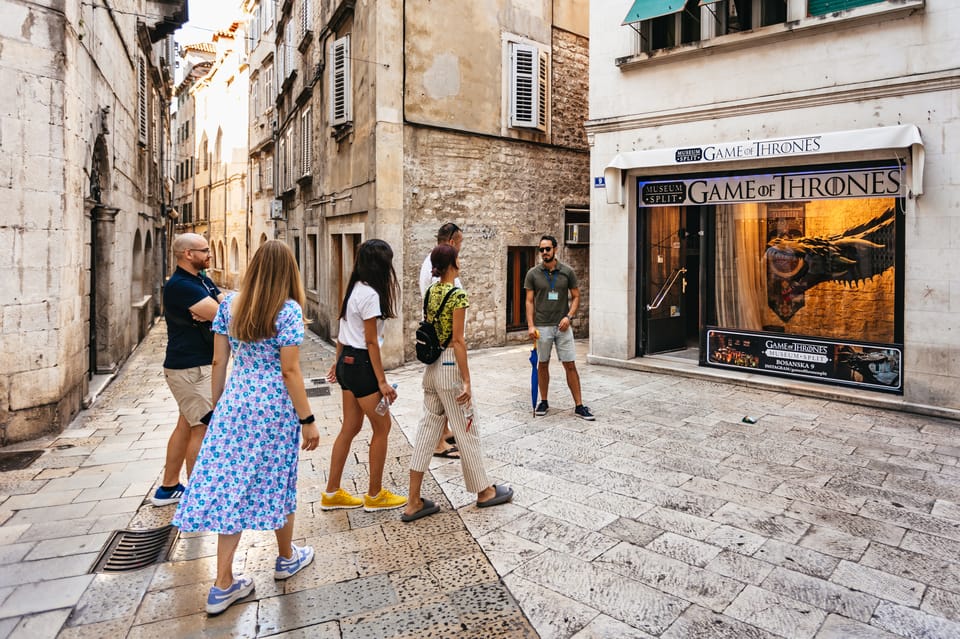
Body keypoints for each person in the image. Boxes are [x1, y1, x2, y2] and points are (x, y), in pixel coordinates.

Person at [172, 240, 319, 615]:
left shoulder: (231, 305)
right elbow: (290, 370)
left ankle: (223, 582)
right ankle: (286, 558)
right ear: (289, 271)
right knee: (279, 477)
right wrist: (308, 420)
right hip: (273, 406)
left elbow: (219, 361)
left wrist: (218, 404)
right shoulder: (287, 311)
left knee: (229, 482)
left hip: (236, 401)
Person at [403, 244, 513, 522]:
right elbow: (458, 340)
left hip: (431, 368)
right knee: (467, 427)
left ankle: (413, 500)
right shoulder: (457, 295)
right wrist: (467, 380)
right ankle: (484, 492)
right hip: (450, 365)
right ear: (452, 263)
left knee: (427, 432)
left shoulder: (430, 292)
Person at [322, 239, 407, 512]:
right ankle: (374, 495)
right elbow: (371, 342)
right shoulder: (370, 295)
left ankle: (332, 492)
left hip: (348, 361)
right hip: (361, 365)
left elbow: (343, 331)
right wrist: (381, 382)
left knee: (350, 426)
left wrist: (338, 364)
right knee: (383, 428)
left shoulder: (353, 290)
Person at [152, 233, 224, 506]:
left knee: (186, 425)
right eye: (204, 250)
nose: (209, 254)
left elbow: (223, 305)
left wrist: (217, 307)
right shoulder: (181, 286)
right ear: (187, 254)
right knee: (202, 428)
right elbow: (225, 315)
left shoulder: (201, 279)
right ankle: (199, 496)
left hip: (195, 366)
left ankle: (168, 487)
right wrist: (218, 309)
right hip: (190, 369)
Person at [525, 235, 595, 421]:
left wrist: (569, 317)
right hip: (542, 326)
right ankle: (544, 401)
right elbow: (529, 301)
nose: (544, 253)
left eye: (547, 249)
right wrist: (531, 325)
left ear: (555, 249)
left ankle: (579, 405)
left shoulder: (567, 272)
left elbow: (576, 296)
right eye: (541, 250)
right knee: (543, 364)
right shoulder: (533, 273)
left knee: (570, 364)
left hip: (562, 326)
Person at [418, 222, 463, 459]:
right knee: (445, 390)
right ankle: (437, 442)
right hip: (443, 343)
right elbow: (440, 305)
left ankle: (443, 433)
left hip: (441, 341)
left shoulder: (432, 263)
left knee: (440, 390)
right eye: (460, 244)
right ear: (452, 242)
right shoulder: (437, 271)